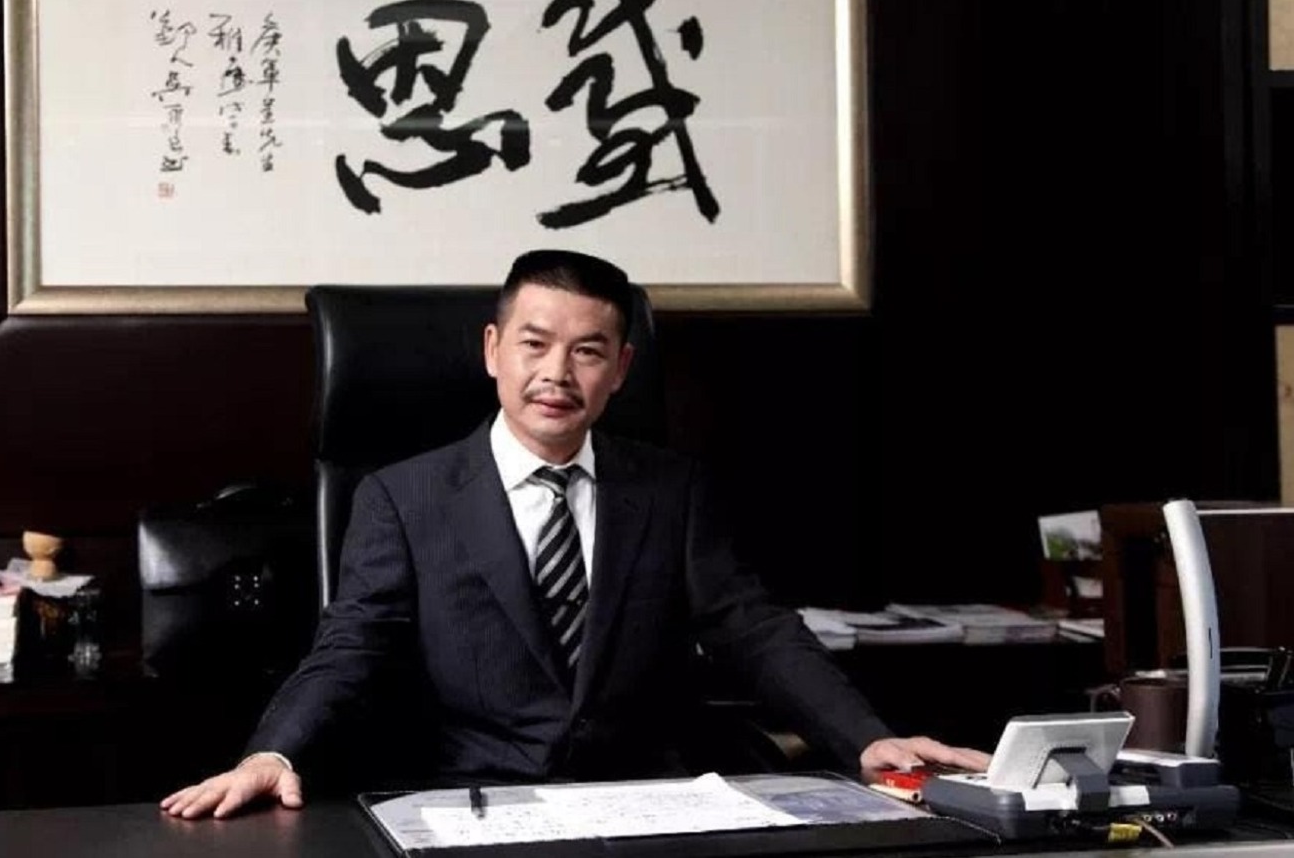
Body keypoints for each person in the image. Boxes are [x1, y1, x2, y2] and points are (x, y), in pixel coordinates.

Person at [162, 249, 989, 819]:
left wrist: (867, 739)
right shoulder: (403, 497)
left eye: (588, 352)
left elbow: (752, 627)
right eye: (535, 344)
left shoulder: (669, 489)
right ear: (493, 350)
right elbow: (350, 645)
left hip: (648, 799)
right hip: (475, 803)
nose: (557, 373)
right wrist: (274, 753)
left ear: (621, 369)